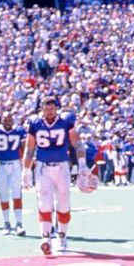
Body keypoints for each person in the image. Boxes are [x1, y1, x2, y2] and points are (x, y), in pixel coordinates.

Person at [23, 95, 89, 255]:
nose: (49, 112)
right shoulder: (35, 123)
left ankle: (62, 236)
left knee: (64, 204)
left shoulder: (66, 121)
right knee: (44, 203)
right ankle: (45, 237)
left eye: (52, 109)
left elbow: (77, 143)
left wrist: (82, 164)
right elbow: (30, 147)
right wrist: (25, 170)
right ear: (41, 110)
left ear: (56, 109)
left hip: (62, 167)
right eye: (46, 109)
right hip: (43, 168)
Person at [0, 113, 27, 235]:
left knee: (16, 193)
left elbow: (25, 149)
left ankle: (19, 224)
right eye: (5, 120)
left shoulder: (19, 130)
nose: (8, 122)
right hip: (1, 164)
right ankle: (6, 223)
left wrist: (26, 165)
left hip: (15, 164)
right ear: (1, 120)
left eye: (9, 119)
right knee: (3, 194)